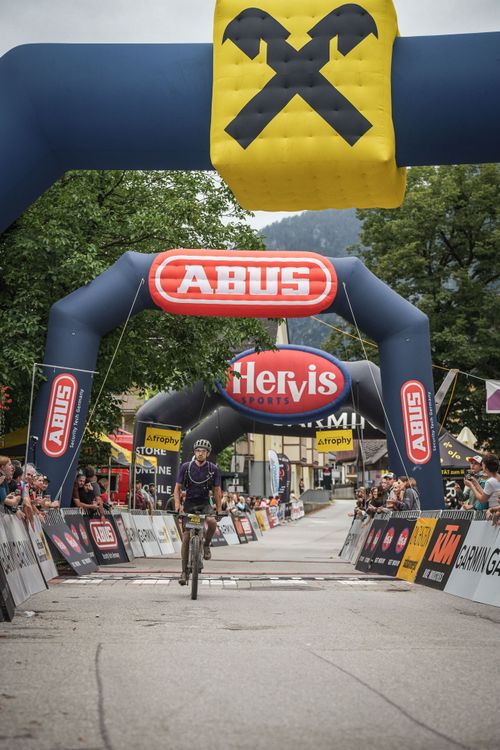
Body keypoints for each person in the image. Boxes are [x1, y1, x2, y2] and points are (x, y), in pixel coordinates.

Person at [174, 439, 222, 586]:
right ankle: (183, 571)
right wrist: (177, 505)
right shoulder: (185, 467)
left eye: (203, 451)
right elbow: (177, 488)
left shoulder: (213, 469)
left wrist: (219, 509)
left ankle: (206, 544)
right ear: (195, 452)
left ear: (207, 454)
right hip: (189, 504)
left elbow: (217, 491)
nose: (200, 453)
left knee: (212, 522)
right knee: (187, 537)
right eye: (198, 451)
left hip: (205, 503)